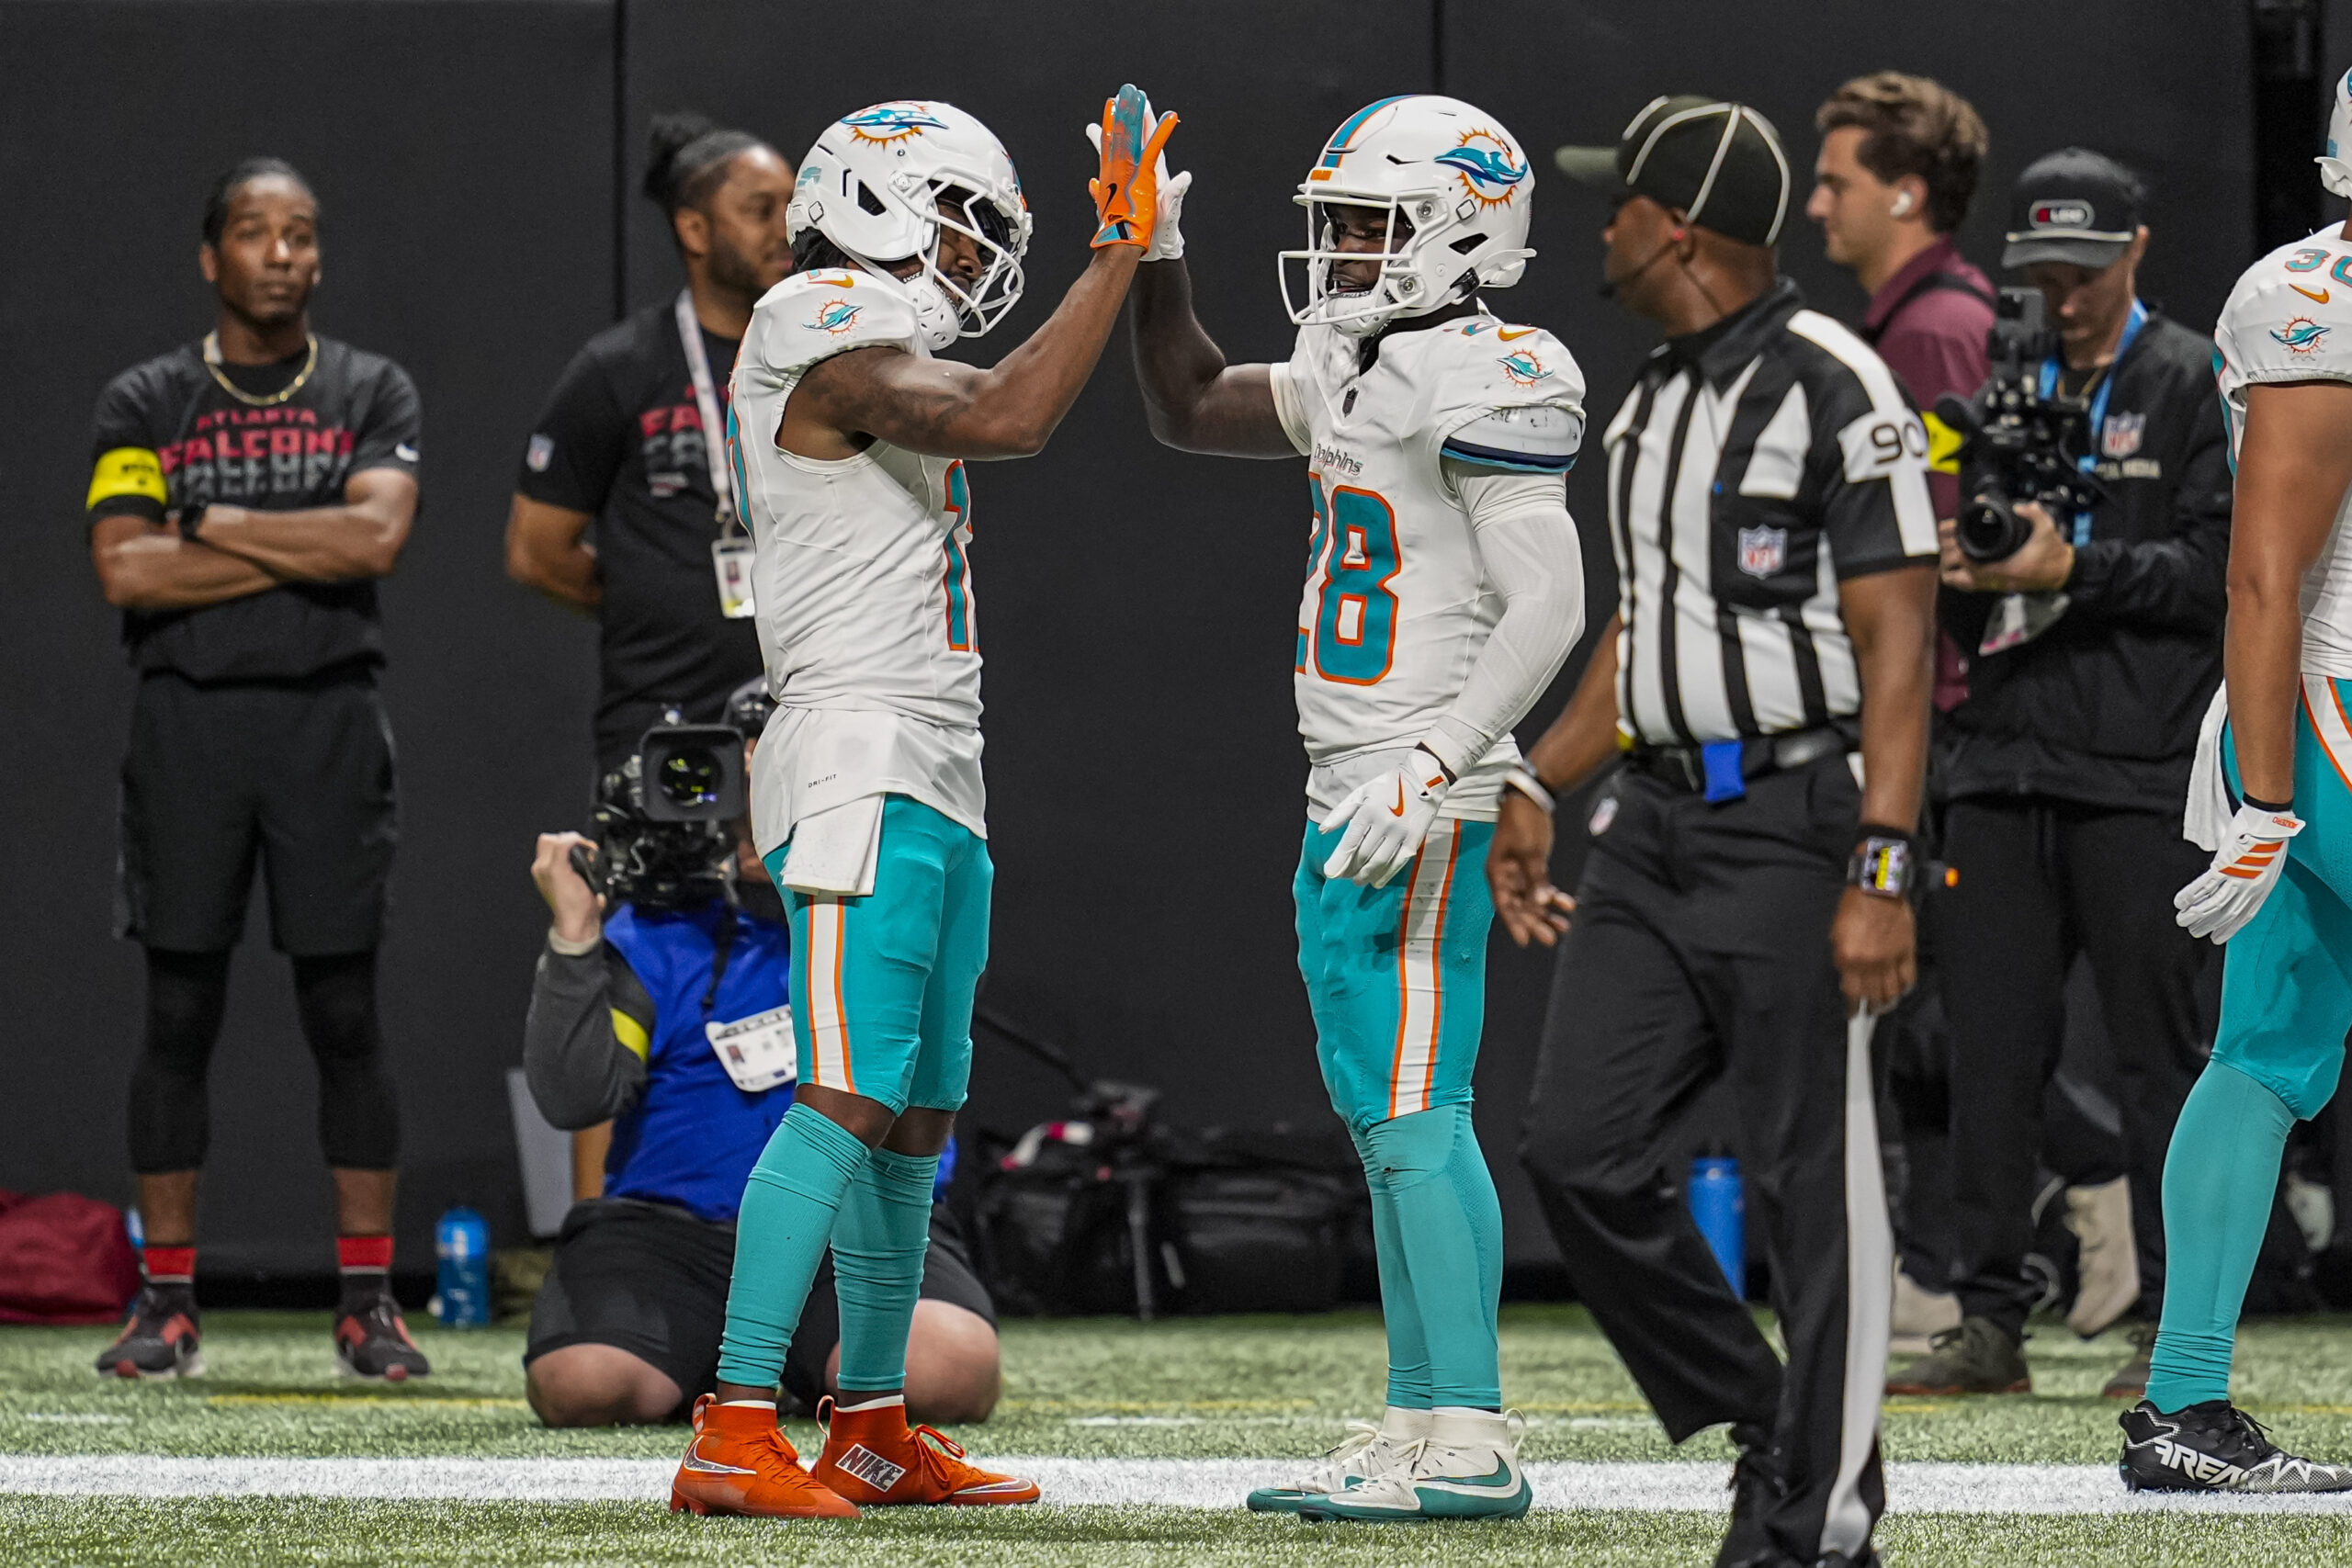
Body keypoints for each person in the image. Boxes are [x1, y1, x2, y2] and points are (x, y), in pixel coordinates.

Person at [664, 88, 1178, 1520]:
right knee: (845, 1094)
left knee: (916, 1116)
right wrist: (1115, 255)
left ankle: (874, 1420)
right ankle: (734, 1421)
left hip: (936, 758)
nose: (971, 254)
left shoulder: (864, 331)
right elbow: (1009, 414)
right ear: (883, 200)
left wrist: (1113, 259)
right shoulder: (815, 310)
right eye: (958, 220)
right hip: (859, 756)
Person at [1125, 94, 1586, 1522]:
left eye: (1371, 225)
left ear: (1468, 229)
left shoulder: (1494, 368)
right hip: (1353, 783)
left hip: (1413, 786)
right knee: (1384, 1118)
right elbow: (1190, 403)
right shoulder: (1355, 356)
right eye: (1331, 226)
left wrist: (1447, 760)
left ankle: (1475, 1435)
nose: (1339, 254)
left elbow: (1554, 600)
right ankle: (1415, 1413)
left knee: (1415, 1113)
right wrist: (1155, 257)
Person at [1512, 96, 1939, 1568]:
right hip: (1654, 825)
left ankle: (1815, 1525)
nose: (1601, 225)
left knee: (1810, 1187)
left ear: (1675, 226)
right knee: (1575, 1144)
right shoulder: (1642, 407)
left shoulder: (1837, 387)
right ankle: (1771, 1417)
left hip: (1801, 818)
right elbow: (1641, 640)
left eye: (1616, 200)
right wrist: (1530, 783)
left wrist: (1883, 862)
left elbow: (1900, 644)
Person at [1884, 148, 2233, 1403]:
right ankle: (1989, 1322)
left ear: (2134, 251)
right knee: (1990, 1056)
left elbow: (2216, 576)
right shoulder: (1988, 386)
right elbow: (1922, 502)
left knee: (2162, 1058)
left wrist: (2069, 571)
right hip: (1997, 757)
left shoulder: (2192, 376)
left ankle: (2171, 1330)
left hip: (2140, 770)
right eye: (2041, 274)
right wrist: (1952, 550)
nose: (2065, 295)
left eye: (2084, 272)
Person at [83, 159, 427, 1384]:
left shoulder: (369, 387)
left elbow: (378, 534)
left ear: (318, 258)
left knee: (346, 1014)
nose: (280, 252)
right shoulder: (146, 398)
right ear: (210, 255)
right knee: (179, 1013)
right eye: (252, 232)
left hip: (328, 722)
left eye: (300, 235)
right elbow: (127, 570)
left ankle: (369, 1303)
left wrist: (217, 529)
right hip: (189, 726)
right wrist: (305, 545)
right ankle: (166, 1302)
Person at [519, 683, 1001, 1428]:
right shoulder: (659, 933)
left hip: (856, 1231)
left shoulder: (886, 914)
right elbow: (576, 1096)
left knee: (943, 1372)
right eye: (746, 786)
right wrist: (575, 938)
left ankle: (788, 1363)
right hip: (671, 1233)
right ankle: (740, 1364)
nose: (760, 808)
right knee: (585, 1384)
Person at [2116, 70, 2352, 1494]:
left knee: (2262, 1053)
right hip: (2326, 706)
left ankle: (2184, 1406)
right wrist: (2270, 795)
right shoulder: (2320, 296)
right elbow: (2266, 569)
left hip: (2307, 711)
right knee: (2257, 1054)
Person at [506, 113, 795, 771]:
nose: (788, 229)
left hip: (804, 714)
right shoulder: (620, 369)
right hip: (663, 721)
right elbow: (536, 552)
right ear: (694, 230)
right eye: (761, 210)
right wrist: (654, 600)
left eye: (793, 207)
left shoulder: (825, 362)